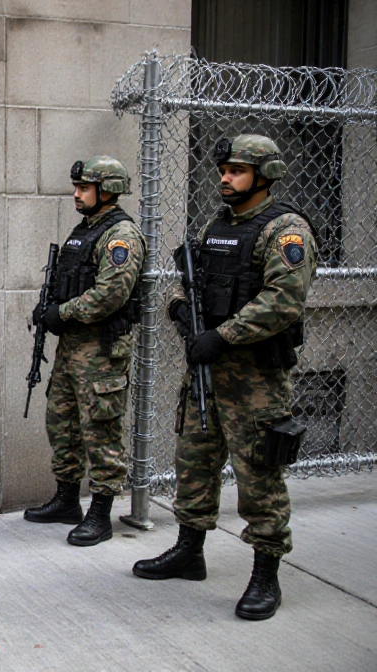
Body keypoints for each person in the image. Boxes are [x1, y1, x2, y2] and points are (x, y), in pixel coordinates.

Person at [132, 134, 317, 621]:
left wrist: (224, 336)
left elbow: (283, 300)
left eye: (236, 170)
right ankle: (189, 551)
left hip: (254, 379)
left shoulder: (285, 231)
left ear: (264, 175)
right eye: (223, 169)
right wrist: (178, 308)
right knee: (194, 459)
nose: (224, 177)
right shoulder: (219, 225)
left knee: (259, 475)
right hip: (207, 373)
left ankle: (266, 574)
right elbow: (189, 279)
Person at [25, 155, 145, 547]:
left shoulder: (121, 235)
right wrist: (47, 310)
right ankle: (66, 499)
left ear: (107, 191)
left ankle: (101, 512)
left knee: (101, 429)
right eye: (76, 187)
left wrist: (63, 312)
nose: (76, 194)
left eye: (84, 188)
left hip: (102, 352)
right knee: (61, 422)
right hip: (73, 349)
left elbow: (111, 294)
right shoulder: (85, 230)